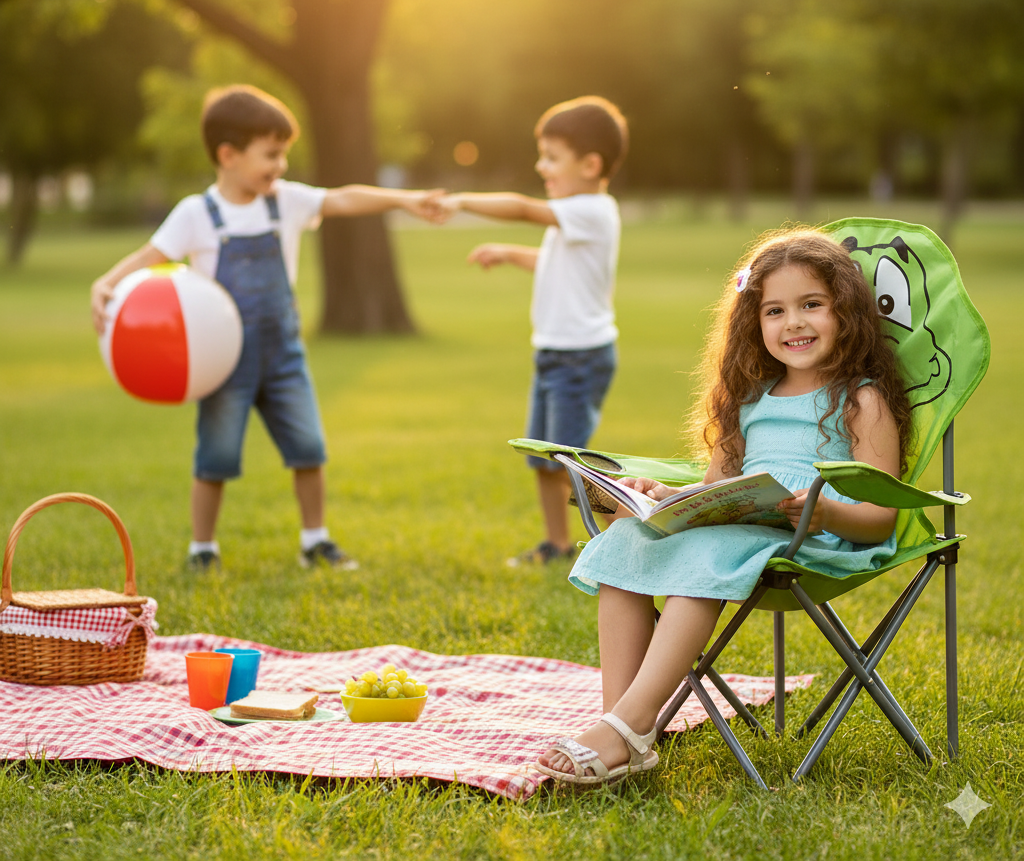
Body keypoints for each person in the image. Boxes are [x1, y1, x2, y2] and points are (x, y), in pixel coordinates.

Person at [535, 228, 913, 784]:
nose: (793, 323)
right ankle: (624, 729)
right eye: (775, 311)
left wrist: (825, 514)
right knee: (623, 545)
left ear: (848, 312)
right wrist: (662, 497)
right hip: (739, 527)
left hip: (815, 537)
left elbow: (882, 516)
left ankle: (628, 727)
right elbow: (715, 489)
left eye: (812, 305)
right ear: (753, 323)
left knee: (704, 556)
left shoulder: (861, 400)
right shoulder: (749, 399)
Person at [90, 85, 445, 572]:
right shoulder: (197, 214)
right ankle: (202, 548)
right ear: (228, 155)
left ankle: (315, 540)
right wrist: (107, 282)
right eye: (271, 155)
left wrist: (405, 200)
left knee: (309, 448)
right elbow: (150, 256)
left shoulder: (286, 202)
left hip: (283, 355)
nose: (281, 165)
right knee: (215, 457)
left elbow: (343, 199)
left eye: (284, 154)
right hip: (223, 363)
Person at [440, 96, 627, 566]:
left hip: (579, 357)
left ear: (590, 165)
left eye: (551, 157)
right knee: (543, 457)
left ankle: (629, 540)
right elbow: (554, 263)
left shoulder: (592, 209)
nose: (541, 166)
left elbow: (524, 208)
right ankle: (557, 544)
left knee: (571, 465)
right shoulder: (575, 215)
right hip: (554, 354)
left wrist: (460, 201)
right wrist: (508, 253)